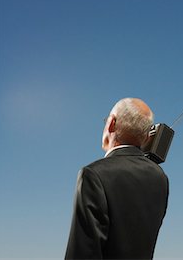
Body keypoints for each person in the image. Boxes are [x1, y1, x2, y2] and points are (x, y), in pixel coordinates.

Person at [65, 98, 169, 260]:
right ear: (148, 136)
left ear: (112, 123)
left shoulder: (93, 174)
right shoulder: (160, 177)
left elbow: (83, 252)